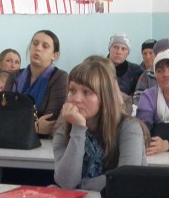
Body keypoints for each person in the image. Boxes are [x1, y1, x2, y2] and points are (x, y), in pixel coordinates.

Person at [52, 56, 146, 190]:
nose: (76, 99)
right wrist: (78, 129)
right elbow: (66, 183)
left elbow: (125, 179)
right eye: (72, 90)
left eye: (87, 92)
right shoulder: (64, 131)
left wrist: (80, 186)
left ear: (104, 98)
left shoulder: (129, 127)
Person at [16, 30, 69, 137]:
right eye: (35, 44)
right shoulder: (14, 76)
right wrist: (35, 127)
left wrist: (14, 124)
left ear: (54, 56)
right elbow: (3, 117)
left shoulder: (59, 77)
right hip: (10, 140)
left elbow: (50, 122)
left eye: (45, 46)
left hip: (42, 142)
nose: (38, 48)